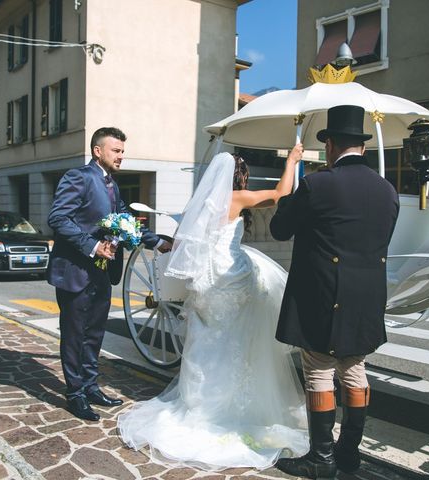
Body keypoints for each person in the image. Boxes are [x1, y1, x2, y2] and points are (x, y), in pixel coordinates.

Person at [118, 146, 309, 470]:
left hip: (205, 284)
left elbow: (182, 245)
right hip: (231, 279)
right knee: (240, 337)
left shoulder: (202, 205)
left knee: (205, 341)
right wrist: (291, 161)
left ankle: (198, 407)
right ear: (238, 178)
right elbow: (280, 194)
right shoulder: (237, 199)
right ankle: (232, 407)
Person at [270, 105, 399, 479]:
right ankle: (348, 454)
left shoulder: (318, 183)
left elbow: (280, 229)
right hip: (367, 296)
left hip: (324, 293)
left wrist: (287, 198)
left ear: (330, 145)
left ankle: (321, 458)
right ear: (359, 145)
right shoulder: (387, 190)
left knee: (320, 371)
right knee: (355, 369)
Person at [47, 127, 171, 421]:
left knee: (94, 334)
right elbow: (57, 218)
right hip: (75, 271)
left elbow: (127, 222)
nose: (121, 156)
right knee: (75, 335)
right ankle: (74, 394)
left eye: (122, 151)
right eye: (116, 150)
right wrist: (92, 246)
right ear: (97, 151)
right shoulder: (79, 177)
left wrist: (160, 242)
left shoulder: (111, 185)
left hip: (102, 273)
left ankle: (91, 387)